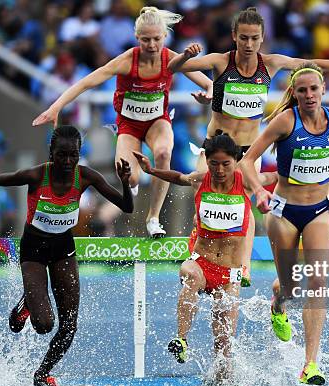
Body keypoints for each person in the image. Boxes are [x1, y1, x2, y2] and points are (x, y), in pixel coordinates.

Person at [169, 6, 329, 289]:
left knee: (244, 203)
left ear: (262, 38)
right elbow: (174, 67)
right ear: (234, 36)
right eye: (243, 38)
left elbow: (310, 64)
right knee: (205, 195)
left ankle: (242, 265)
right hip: (216, 148)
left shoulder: (270, 63)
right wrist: (185, 55)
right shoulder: (220, 62)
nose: (248, 44)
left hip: (248, 150)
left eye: (254, 38)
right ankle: (199, 258)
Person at [0, 125, 134, 386]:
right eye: (61, 155)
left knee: (69, 325)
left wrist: (124, 182)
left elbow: (127, 207)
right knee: (43, 325)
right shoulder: (37, 175)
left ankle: (43, 374)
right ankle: (28, 303)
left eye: (73, 155)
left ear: (79, 153)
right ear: (51, 153)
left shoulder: (85, 177)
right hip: (34, 250)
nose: (67, 161)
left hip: (64, 249)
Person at [239, 62, 329, 385]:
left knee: (318, 282)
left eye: (313, 89)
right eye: (301, 90)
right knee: (290, 286)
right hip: (283, 212)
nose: (308, 95)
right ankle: (279, 303)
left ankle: (310, 364)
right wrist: (259, 191)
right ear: (295, 94)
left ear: (323, 90)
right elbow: (247, 161)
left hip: (319, 210)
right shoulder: (284, 122)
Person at [32, 6, 213, 238]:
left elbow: (206, 82)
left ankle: (153, 218)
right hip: (129, 126)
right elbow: (86, 82)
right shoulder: (127, 61)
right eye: (145, 40)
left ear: (164, 37)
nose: (151, 45)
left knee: (164, 153)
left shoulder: (170, 59)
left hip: (158, 121)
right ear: (137, 38)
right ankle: (134, 187)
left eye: (157, 39)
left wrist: (207, 95)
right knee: (130, 176)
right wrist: (56, 107)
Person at [133, 133, 277, 383]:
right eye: (214, 164)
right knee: (189, 273)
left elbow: (276, 176)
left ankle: (222, 384)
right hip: (201, 261)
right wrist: (151, 170)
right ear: (206, 161)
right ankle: (181, 339)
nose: (220, 170)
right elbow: (178, 177)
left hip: (229, 274)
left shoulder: (245, 183)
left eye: (226, 164)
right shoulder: (201, 181)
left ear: (236, 162)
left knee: (223, 346)